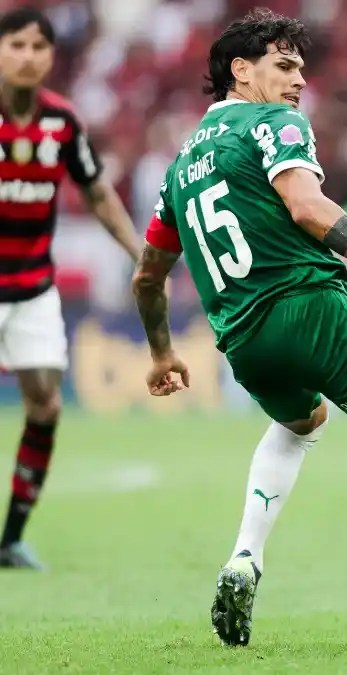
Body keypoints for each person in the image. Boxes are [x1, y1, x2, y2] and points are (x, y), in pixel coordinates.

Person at [131, 10, 347, 650]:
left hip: (241, 340)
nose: (299, 81)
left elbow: (147, 278)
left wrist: (161, 354)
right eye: (284, 66)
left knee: (301, 424)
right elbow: (307, 204)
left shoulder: (179, 167)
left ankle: (245, 554)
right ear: (241, 71)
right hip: (306, 309)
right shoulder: (274, 123)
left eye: (301, 68)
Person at [0, 7, 142, 570]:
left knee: (46, 404)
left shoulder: (62, 122)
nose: (29, 56)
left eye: (39, 47)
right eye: (17, 45)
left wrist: (139, 253)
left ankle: (10, 537)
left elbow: (99, 192)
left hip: (34, 289)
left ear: (51, 57)